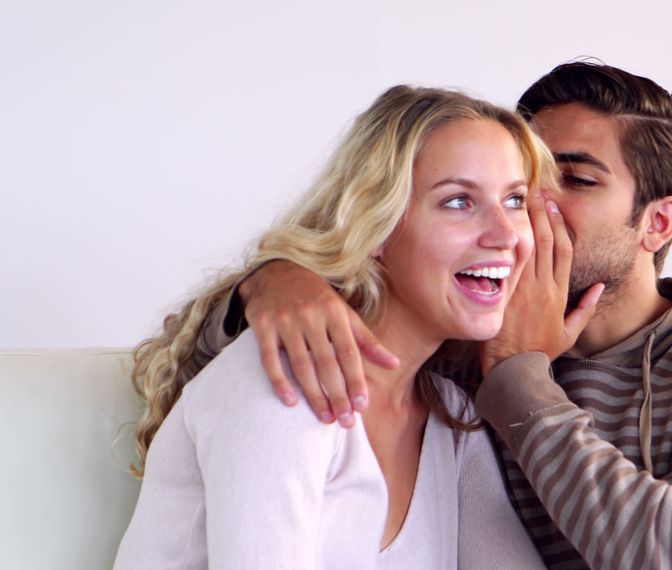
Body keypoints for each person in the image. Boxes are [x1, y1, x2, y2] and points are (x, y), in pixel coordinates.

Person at [202, 62, 672, 569]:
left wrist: (518, 377)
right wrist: (273, 283)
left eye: (574, 180)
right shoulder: (463, 340)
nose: (530, 214)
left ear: (656, 223)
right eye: (526, 187)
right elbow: (216, 371)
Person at [114, 86, 555, 569]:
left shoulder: (449, 416)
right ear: (376, 227)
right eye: (457, 202)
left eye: (514, 201)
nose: (507, 235)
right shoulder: (284, 384)